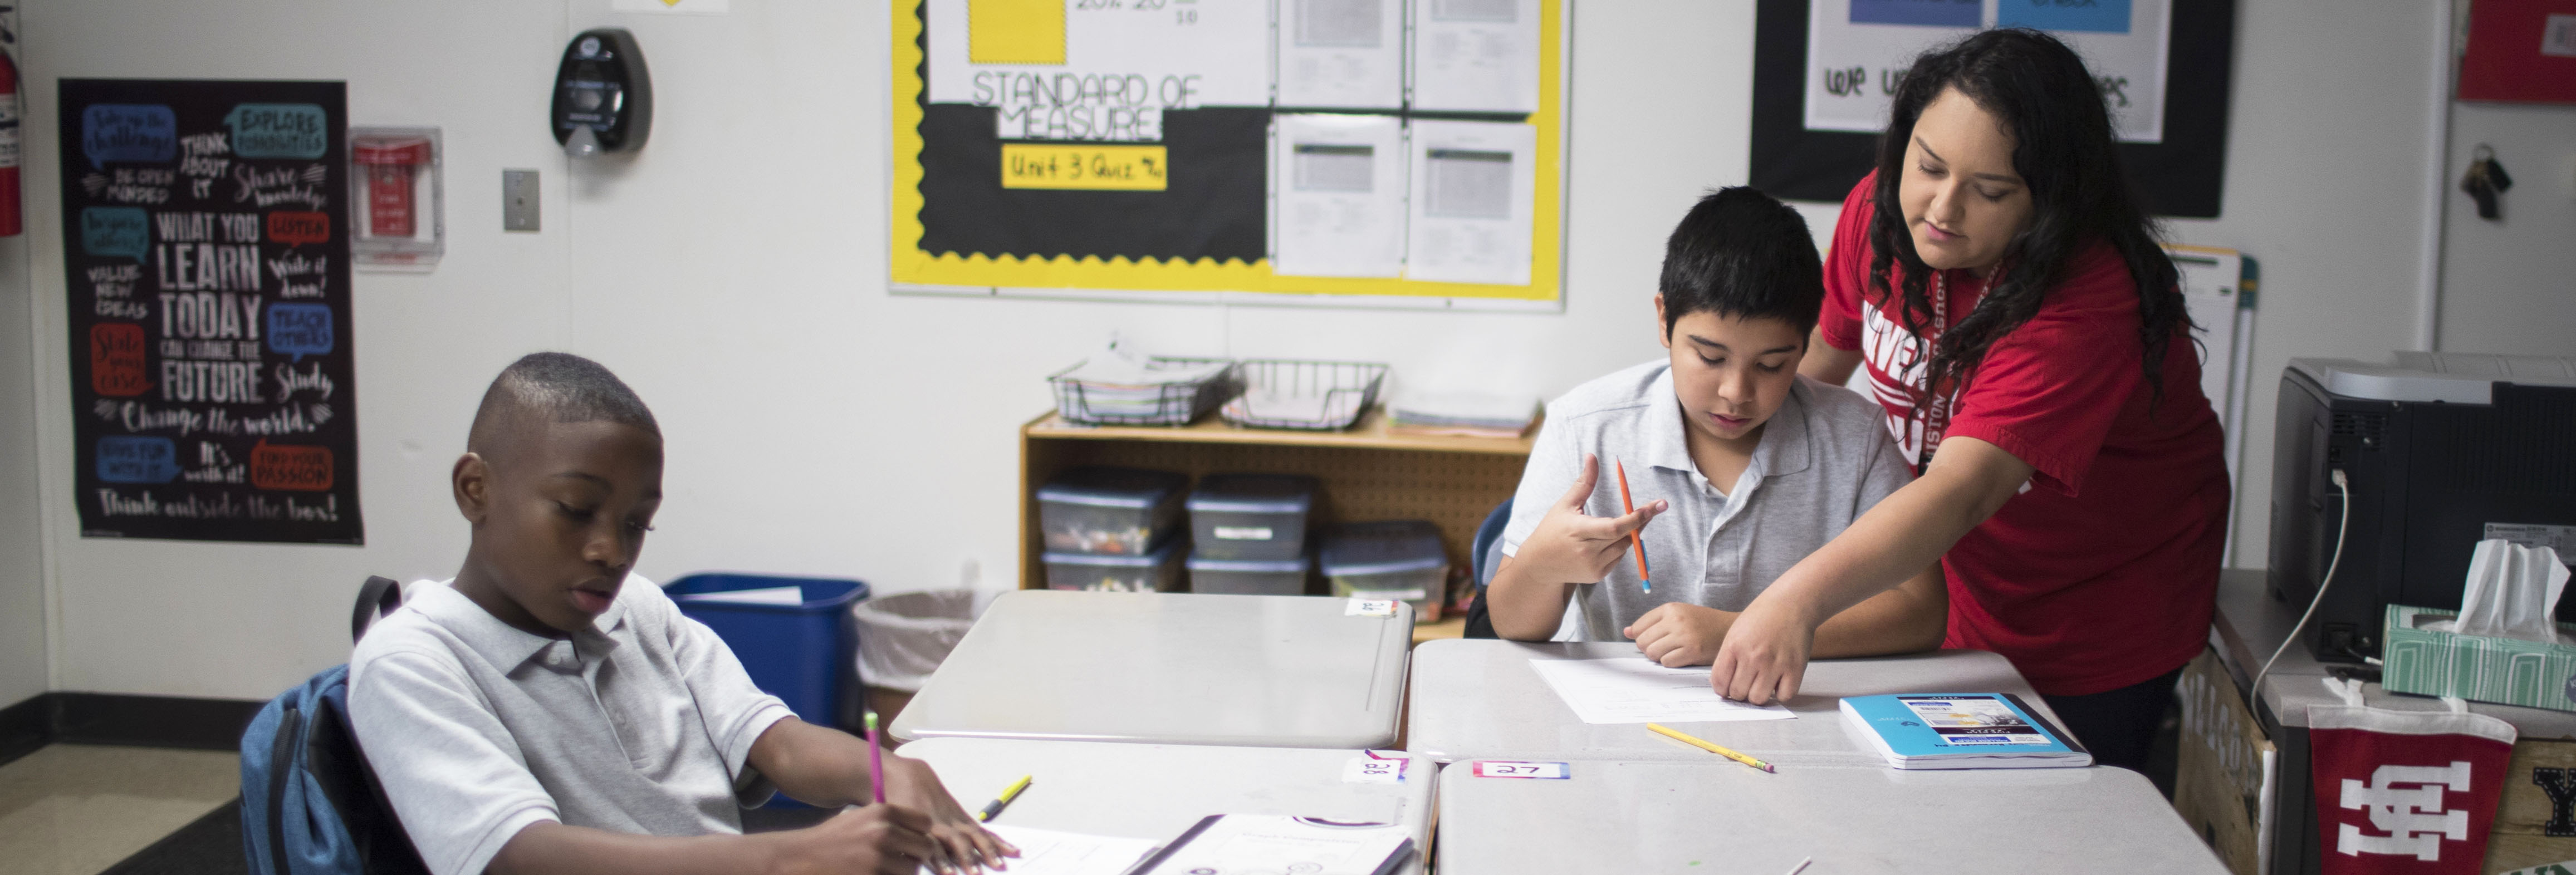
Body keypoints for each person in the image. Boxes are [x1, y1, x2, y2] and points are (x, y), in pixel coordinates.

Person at [1708, 29, 2229, 772]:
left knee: (2047, 829)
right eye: (1927, 165)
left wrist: (1793, 602)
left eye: (1988, 191)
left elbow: (1958, 491)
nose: (1940, 209)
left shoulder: (2085, 301)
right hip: (1946, 582)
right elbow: (1813, 376)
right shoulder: (1884, 213)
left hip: (2096, 610)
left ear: (2048, 201)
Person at [349, 353, 1016, 875]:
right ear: (476, 489)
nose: (612, 550)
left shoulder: (635, 608)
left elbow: (775, 743)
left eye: (638, 524)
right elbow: (521, 857)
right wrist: (790, 860)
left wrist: (891, 773)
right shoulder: (411, 662)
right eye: (577, 510)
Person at [1485, 187, 1947, 665]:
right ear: (1665, 319)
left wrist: (1737, 633)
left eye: (1771, 365)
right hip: (1622, 718)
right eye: (1710, 357)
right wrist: (1542, 567)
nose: (1736, 391)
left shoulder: (1856, 437)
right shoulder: (1585, 427)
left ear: (1806, 343)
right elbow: (1510, 623)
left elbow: (1922, 613)